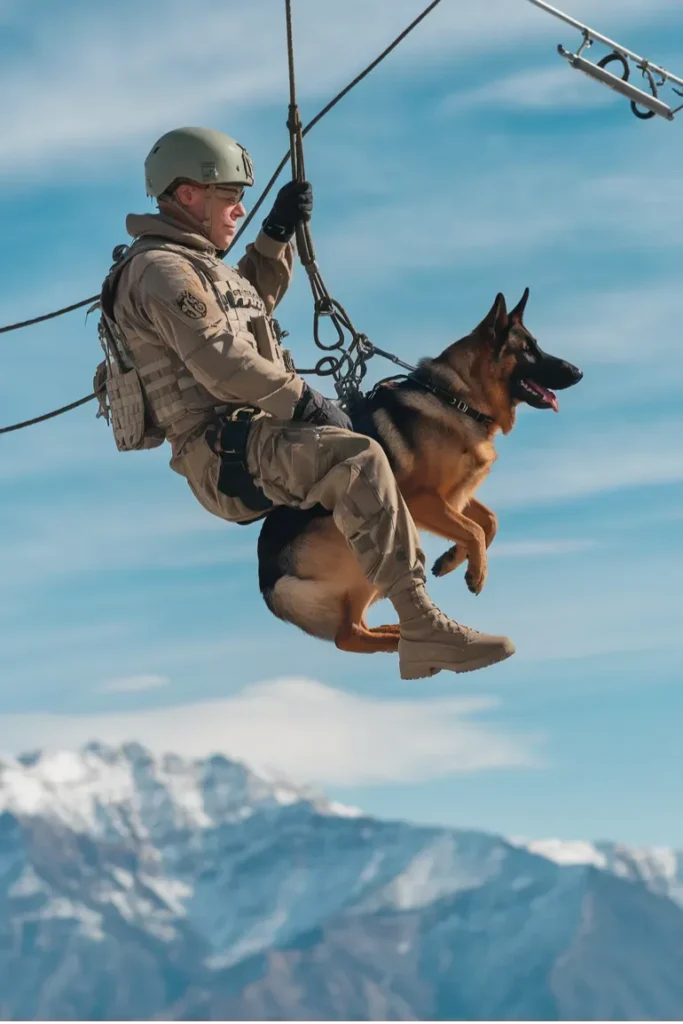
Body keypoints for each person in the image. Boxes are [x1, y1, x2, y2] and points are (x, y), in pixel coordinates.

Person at [98, 125, 515, 679]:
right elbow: (222, 355)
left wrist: (273, 236)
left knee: (368, 460)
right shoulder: (159, 270)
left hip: (251, 436)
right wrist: (308, 404)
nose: (239, 209)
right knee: (359, 458)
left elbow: (244, 304)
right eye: (229, 198)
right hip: (222, 455)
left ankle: (401, 621)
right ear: (187, 195)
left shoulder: (191, 265)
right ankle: (423, 627)